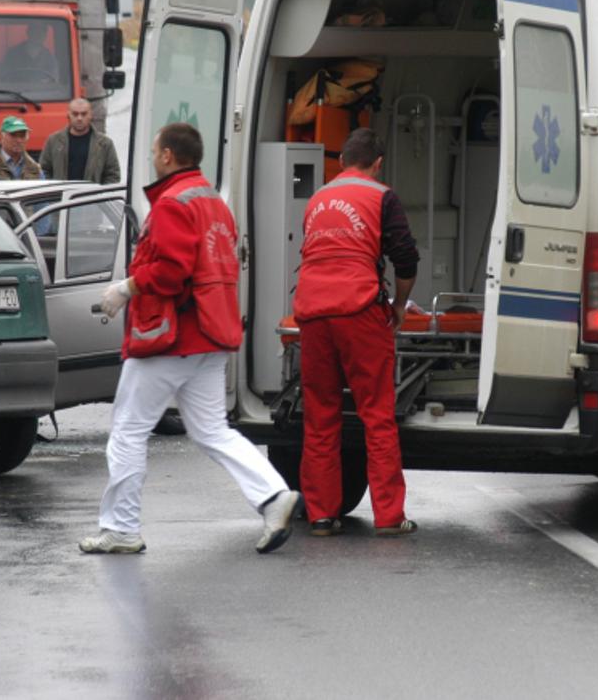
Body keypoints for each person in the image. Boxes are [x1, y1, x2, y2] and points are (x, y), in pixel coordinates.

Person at [81, 122, 300, 555]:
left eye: (153, 149)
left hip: (170, 338)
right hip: (211, 334)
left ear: (167, 156)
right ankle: (273, 496)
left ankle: (121, 529)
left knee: (127, 431)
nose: (150, 155)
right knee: (212, 431)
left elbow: (170, 271)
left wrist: (126, 288)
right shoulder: (214, 202)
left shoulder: (170, 205)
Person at [293, 128, 419, 536]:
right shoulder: (382, 196)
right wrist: (399, 306)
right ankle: (389, 517)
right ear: (377, 163)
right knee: (376, 416)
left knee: (320, 416)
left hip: (311, 312)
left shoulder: (318, 199)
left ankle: (322, 515)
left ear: (342, 162)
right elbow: (405, 257)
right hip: (358, 310)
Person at [39, 98, 122, 183]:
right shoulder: (54, 141)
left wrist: (100, 193)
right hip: (61, 194)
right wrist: (54, 192)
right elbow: (43, 171)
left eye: (84, 114)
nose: (79, 118)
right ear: (68, 115)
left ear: (90, 115)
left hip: (93, 195)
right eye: (75, 114)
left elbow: (113, 175)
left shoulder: (104, 144)